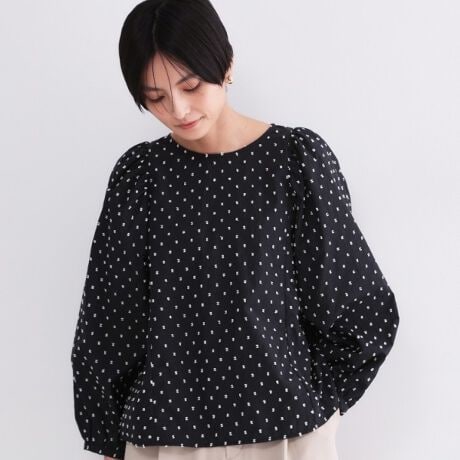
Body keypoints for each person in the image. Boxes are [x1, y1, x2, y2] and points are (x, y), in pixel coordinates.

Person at [70, 1, 400, 459]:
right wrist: (107, 437)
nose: (179, 109)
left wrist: (319, 405)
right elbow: (108, 322)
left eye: (191, 85)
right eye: (156, 97)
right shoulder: (140, 177)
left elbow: (357, 303)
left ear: (226, 65)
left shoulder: (295, 161)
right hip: (164, 438)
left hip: (287, 433)